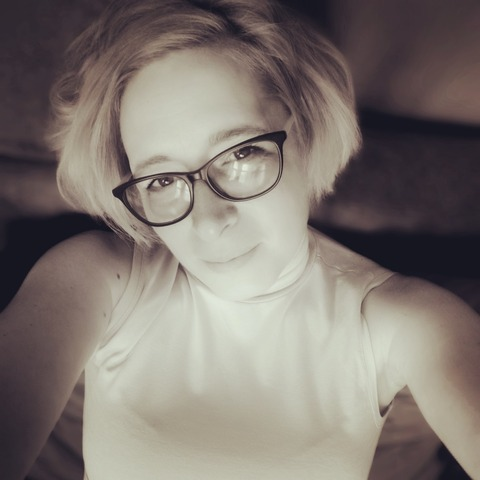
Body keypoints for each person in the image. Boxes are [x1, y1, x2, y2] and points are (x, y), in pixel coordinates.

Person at [1, 0, 479, 478]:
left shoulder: (407, 322)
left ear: (304, 129)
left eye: (240, 154)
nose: (210, 221)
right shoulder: (94, 278)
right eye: (162, 180)